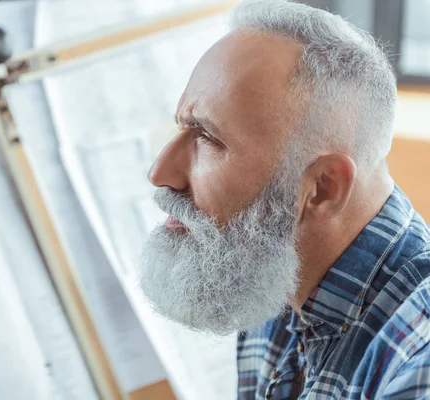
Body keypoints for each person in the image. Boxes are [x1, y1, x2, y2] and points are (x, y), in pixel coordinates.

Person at [139, 0, 430, 398]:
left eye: (208, 138)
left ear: (323, 188)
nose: (159, 173)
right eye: (182, 126)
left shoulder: (418, 362)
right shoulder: (267, 269)